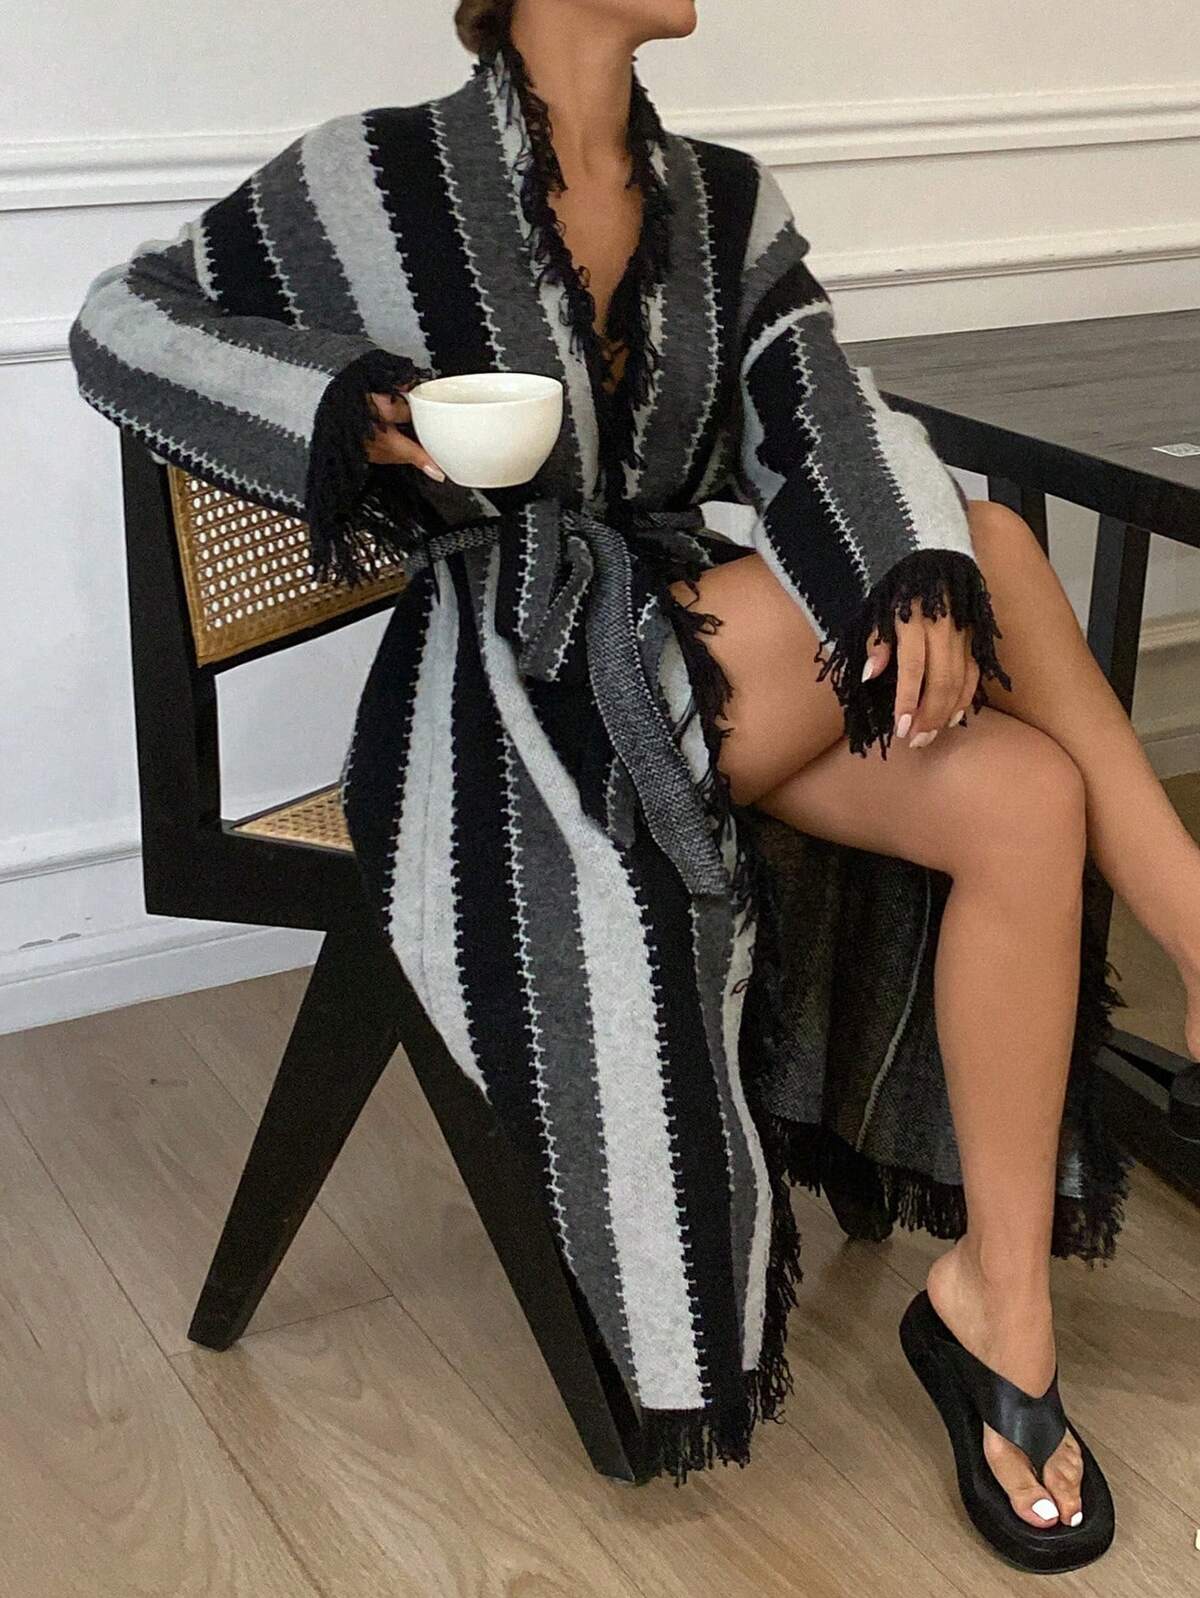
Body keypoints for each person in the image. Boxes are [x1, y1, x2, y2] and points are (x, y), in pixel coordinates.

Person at [66, 0, 1199, 1567]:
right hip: (528, 689)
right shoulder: (378, 180)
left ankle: (997, 1312)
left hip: (720, 668)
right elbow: (122, 322)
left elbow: (826, 418)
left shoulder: (723, 204)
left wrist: (900, 558)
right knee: (996, 544)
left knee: (1025, 798)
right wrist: (346, 404)